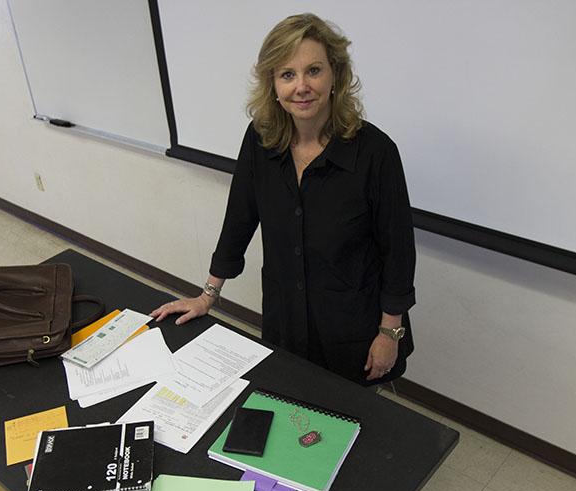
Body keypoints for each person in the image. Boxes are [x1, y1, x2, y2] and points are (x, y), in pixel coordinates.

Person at [151, 13, 416, 385]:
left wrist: (390, 333)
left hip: (354, 328)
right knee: (291, 411)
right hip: (285, 319)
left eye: (314, 71)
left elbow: (399, 253)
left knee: (351, 427)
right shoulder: (260, 140)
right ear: (273, 84)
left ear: (335, 75)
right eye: (287, 74)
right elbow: (239, 220)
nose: (301, 86)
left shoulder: (376, 153)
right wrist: (207, 296)